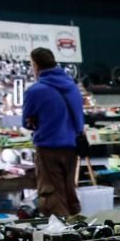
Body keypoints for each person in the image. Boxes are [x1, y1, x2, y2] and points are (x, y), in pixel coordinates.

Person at [22, 47, 84, 217]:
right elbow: (79, 120)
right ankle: (78, 230)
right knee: (69, 191)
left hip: (48, 149)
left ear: (36, 66)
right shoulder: (72, 87)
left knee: (52, 194)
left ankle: (61, 235)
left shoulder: (35, 91)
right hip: (71, 148)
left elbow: (26, 122)